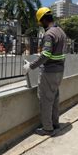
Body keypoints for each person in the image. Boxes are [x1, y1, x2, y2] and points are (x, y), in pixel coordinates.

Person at [23, 7, 66, 136]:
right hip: (59, 71)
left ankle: (47, 128)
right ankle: (55, 123)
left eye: (40, 22)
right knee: (54, 97)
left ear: (43, 20)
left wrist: (31, 66)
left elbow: (46, 55)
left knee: (45, 100)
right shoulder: (61, 32)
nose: (40, 25)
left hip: (49, 72)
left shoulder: (49, 34)